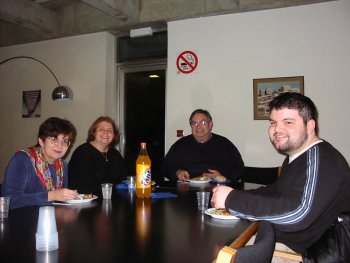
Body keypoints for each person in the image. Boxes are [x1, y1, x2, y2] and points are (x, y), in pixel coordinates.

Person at [211, 92, 350, 258]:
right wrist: (234, 195)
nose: (277, 129)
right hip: (276, 238)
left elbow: (298, 214)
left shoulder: (322, 160)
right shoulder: (296, 156)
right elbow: (276, 191)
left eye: (288, 122)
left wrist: (232, 199)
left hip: (297, 253)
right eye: (273, 122)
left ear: (310, 126)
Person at [2, 117, 78, 209]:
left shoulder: (62, 165)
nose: (60, 145)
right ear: (41, 141)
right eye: (54, 139)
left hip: (51, 219)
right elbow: (9, 201)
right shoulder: (22, 160)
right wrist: (51, 196)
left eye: (65, 141)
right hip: (21, 220)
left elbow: (59, 202)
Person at [161, 109, 244, 182]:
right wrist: (178, 173)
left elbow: (239, 168)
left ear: (210, 125)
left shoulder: (225, 144)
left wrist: (222, 176)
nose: (198, 127)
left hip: (218, 188)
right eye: (194, 123)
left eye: (203, 122)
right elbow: (165, 167)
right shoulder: (180, 145)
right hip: (187, 189)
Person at [68, 116, 126, 195]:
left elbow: (123, 181)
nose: (106, 133)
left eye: (110, 130)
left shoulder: (115, 154)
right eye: (101, 129)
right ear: (94, 132)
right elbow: (81, 187)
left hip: (112, 202)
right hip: (87, 202)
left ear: (114, 135)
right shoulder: (82, 153)